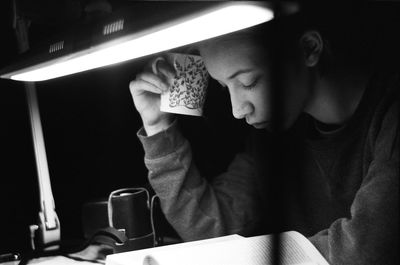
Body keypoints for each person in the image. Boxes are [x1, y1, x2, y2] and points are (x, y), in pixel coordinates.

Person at [129, 3, 399, 264]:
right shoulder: (273, 137)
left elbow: (365, 251)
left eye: (249, 82)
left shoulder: (390, 115)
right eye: (225, 87)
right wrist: (158, 127)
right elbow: (211, 228)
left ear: (309, 48)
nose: (237, 110)